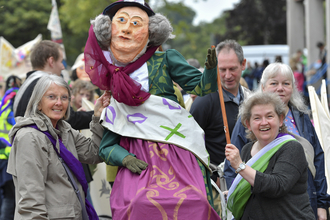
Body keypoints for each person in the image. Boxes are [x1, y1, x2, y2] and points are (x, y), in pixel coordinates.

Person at [85, 0, 220, 219]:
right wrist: (125, 158)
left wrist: (211, 71)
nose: (128, 28)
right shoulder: (113, 75)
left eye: (136, 23)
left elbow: (202, 88)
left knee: (198, 201)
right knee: (138, 203)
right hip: (136, 152)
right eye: (121, 21)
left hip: (177, 146)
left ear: (151, 31)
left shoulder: (166, 58)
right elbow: (106, 147)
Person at [225, 62, 329, 220]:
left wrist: (322, 203)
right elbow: (233, 165)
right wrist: (236, 194)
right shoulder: (247, 141)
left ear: (281, 120)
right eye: (274, 83)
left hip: (296, 206)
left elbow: (317, 160)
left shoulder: (300, 120)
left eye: (286, 83)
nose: (280, 88)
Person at [7, 74, 110, 219]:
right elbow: (30, 202)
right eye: (51, 97)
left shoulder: (64, 129)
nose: (59, 103)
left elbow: (95, 153)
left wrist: (97, 116)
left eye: (64, 97)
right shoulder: (29, 137)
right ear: (38, 103)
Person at [225, 91, 315, 220]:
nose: (264, 122)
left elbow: (277, 186)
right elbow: (252, 189)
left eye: (269, 116)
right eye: (257, 118)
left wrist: (240, 166)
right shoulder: (246, 150)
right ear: (248, 124)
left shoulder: (292, 148)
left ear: (280, 120)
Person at [190, 39, 250, 187]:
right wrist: (211, 177)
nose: (227, 75)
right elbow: (190, 147)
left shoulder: (251, 99)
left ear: (243, 65)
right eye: (222, 69)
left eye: (232, 69)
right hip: (219, 184)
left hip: (249, 178)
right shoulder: (204, 101)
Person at [13, 40, 93, 130]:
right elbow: (69, 120)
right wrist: (98, 115)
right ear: (51, 61)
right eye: (61, 61)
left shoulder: (29, 82)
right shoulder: (43, 84)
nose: (63, 67)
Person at [0, 75, 21, 220]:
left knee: (8, 197)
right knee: (11, 199)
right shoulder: (14, 104)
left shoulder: (3, 103)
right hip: (10, 157)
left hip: (2, 157)